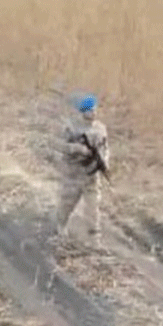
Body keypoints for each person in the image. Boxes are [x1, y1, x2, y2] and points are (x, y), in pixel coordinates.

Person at [56, 93, 110, 248]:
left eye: (95, 110)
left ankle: (94, 240)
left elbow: (105, 148)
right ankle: (61, 224)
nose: (94, 113)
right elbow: (59, 145)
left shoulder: (100, 128)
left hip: (91, 175)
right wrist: (76, 148)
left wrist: (104, 162)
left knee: (93, 208)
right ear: (83, 111)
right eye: (90, 110)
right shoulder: (71, 127)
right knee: (68, 203)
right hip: (74, 173)